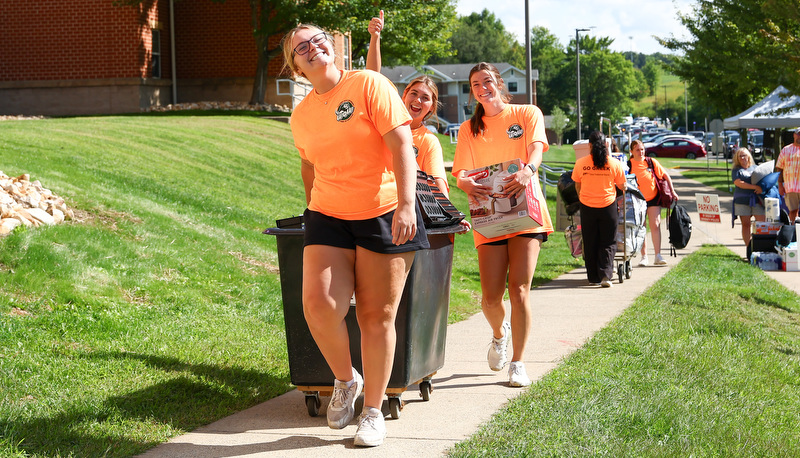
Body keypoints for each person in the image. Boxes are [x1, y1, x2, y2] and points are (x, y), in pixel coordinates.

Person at [281, 24, 429, 447]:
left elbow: (402, 144)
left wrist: (405, 203)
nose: (313, 49)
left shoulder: (368, 83)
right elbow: (309, 164)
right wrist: (313, 207)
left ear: (331, 45)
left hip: (383, 209)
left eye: (317, 40)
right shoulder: (301, 115)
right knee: (318, 305)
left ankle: (372, 411)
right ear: (295, 66)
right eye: (301, 48)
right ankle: (346, 380)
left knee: (375, 316)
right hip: (328, 213)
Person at [451, 62, 553, 388]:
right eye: (476, 84)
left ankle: (518, 363)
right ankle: (499, 333)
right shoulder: (470, 128)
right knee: (491, 298)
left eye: (487, 81)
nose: (483, 87)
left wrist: (528, 171)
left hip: (526, 211)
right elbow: (461, 173)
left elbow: (536, 148)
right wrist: (464, 184)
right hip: (489, 214)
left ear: (498, 83)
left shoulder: (526, 113)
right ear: (472, 91)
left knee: (519, 289)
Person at [571, 131, 627, 287]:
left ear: (589, 145)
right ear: (606, 145)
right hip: (608, 206)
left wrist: (583, 197)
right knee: (608, 241)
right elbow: (622, 185)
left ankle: (593, 277)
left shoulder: (581, 163)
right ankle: (605, 276)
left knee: (590, 241)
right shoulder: (614, 163)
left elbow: (577, 184)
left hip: (587, 206)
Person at [628, 139, 678, 266]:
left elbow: (666, 175)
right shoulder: (628, 165)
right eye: (637, 150)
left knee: (655, 225)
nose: (641, 152)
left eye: (642, 149)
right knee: (642, 227)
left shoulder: (650, 162)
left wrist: (672, 191)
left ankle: (658, 255)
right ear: (632, 151)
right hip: (637, 200)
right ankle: (644, 256)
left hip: (653, 198)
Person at [731, 147, 765, 245]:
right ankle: (749, 247)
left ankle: (761, 245)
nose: (742, 158)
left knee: (761, 223)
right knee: (746, 224)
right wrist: (754, 187)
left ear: (748, 156)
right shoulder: (736, 170)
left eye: (744, 155)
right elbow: (739, 183)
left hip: (757, 200)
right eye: (740, 156)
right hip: (741, 201)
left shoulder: (756, 168)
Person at [776, 128, 800, 222]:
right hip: (791, 187)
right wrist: (780, 185)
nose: (799, 136)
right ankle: (793, 232)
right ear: (794, 135)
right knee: (793, 211)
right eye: (798, 134)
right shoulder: (786, 150)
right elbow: (779, 168)